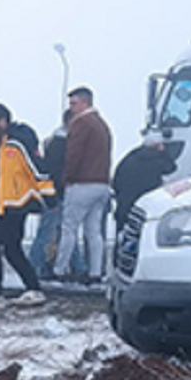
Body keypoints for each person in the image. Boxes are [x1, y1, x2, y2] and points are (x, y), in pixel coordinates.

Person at [0, 103, 50, 308]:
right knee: (11, 249)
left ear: (2, 121)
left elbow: (37, 169)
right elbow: (3, 177)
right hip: (8, 203)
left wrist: (49, 196)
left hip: (15, 203)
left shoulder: (17, 144)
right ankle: (33, 288)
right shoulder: (3, 145)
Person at [57, 87, 114, 284]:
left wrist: (67, 178)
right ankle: (95, 272)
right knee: (94, 231)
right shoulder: (102, 125)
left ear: (84, 103)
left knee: (69, 228)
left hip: (81, 183)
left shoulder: (81, 123)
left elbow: (74, 154)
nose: (71, 108)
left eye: (73, 103)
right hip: (102, 183)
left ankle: (60, 270)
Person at [29, 110, 69, 279]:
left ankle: (37, 266)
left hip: (53, 191)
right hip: (57, 192)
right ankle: (33, 266)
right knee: (51, 231)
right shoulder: (63, 144)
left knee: (62, 231)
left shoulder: (52, 141)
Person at [113, 132, 178, 234]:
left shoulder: (130, 157)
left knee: (123, 236)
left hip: (124, 206)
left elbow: (116, 182)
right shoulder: (158, 161)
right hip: (146, 208)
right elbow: (172, 168)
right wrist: (164, 152)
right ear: (159, 146)